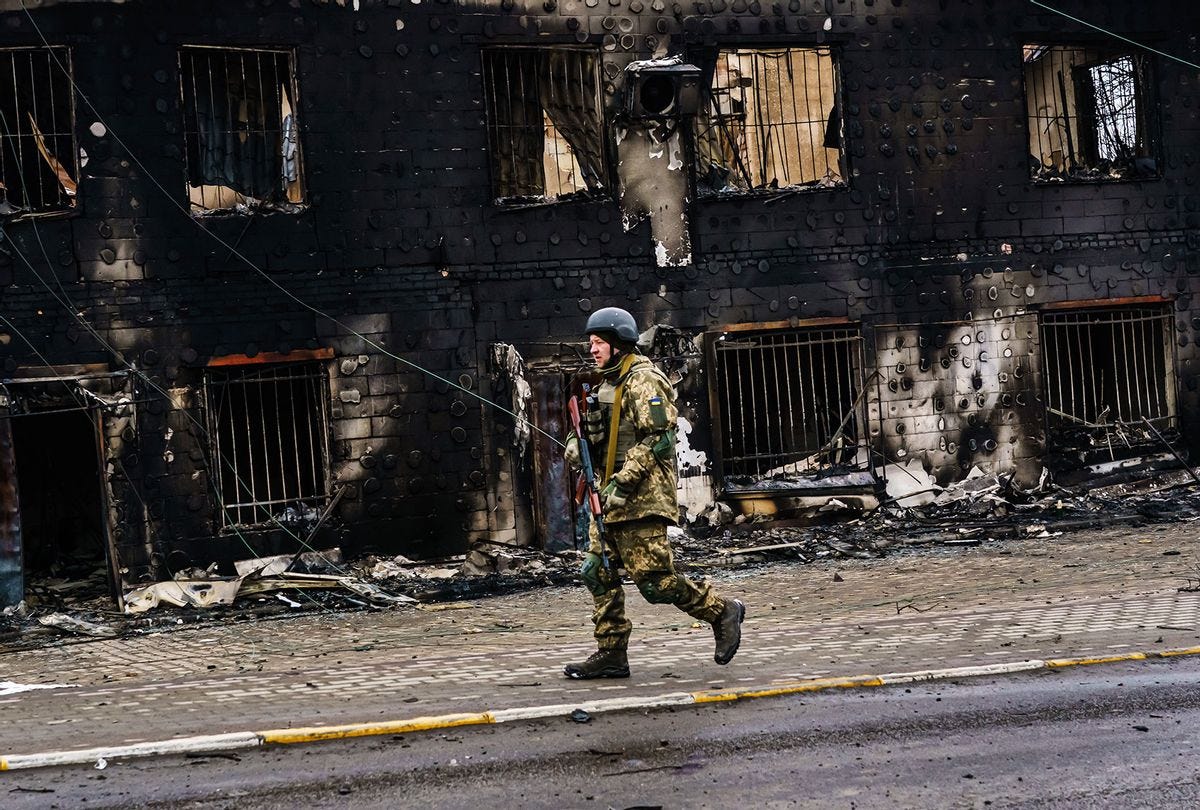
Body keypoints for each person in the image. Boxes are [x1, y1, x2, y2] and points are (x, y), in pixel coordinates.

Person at [563, 307, 745, 679]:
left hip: (640, 499)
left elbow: (659, 438)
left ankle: (721, 610)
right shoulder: (606, 383)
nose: (593, 349)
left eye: (599, 343)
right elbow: (594, 431)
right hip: (609, 497)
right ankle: (611, 652)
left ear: (618, 344)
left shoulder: (644, 381)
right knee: (597, 571)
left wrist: (623, 482)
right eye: (592, 342)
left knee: (655, 582)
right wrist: (574, 445)